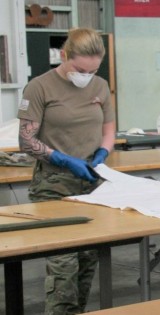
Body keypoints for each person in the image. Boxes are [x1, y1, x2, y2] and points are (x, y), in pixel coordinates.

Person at [18, 28, 116, 314]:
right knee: (64, 267)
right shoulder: (40, 87)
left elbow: (108, 129)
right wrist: (62, 159)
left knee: (87, 262)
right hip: (53, 184)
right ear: (64, 56)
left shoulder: (98, 87)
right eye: (80, 69)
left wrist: (103, 153)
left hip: (91, 182)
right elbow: (26, 140)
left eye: (93, 70)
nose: (86, 76)